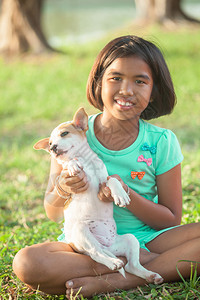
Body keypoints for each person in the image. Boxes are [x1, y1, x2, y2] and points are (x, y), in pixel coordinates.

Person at [13, 35, 200, 299]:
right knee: (28, 263)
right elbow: (52, 212)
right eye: (116, 78)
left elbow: (171, 218)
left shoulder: (162, 142)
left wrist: (127, 196)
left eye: (140, 81)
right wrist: (64, 188)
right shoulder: (71, 136)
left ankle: (117, 280)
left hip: (147, 238)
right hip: (86, 242)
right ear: (98, 83)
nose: (126, 90)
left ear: (154, 90)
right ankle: (158, 264)